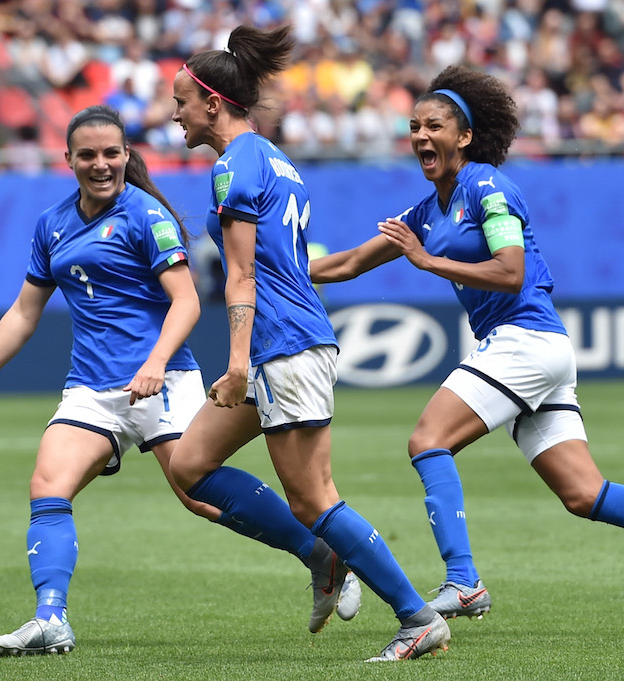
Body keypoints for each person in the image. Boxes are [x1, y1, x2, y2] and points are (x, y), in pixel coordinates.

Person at [310, 64, 624, 621]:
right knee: (583, 494)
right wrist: (277, 269)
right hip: (531, 348)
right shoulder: (426, 212)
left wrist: (428, 262)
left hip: (524, 339)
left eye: (433, 126)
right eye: (413, 126)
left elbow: (511, 272)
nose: (421, 136)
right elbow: (351, 262)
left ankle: (463, 580)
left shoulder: (489, 187)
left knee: (428, 441)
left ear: (465, 136)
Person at [0, 105, 359, 658]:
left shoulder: (145, 216)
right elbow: (23, 312)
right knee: (47, 487)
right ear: (68, 159)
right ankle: (50, 620)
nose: (101, 164)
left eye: (111, 153)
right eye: (87, 155)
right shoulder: (52, 224)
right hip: (90, 388)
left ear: (126, 156)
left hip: (164, 380)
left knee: (199, 498)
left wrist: (156, 362)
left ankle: (321, 554)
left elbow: (185, 300)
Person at [168, 25, 451, 662]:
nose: (173, 112)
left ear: (213, 103)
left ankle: (416, 617)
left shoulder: (232, 166)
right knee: (189, 466)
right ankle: (325, 557)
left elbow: (242, 275)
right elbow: (284, 261)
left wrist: (238, 360)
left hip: (282, 344)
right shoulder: (275, 159)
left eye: (181, 100)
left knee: (313, 495)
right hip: (287, 339)